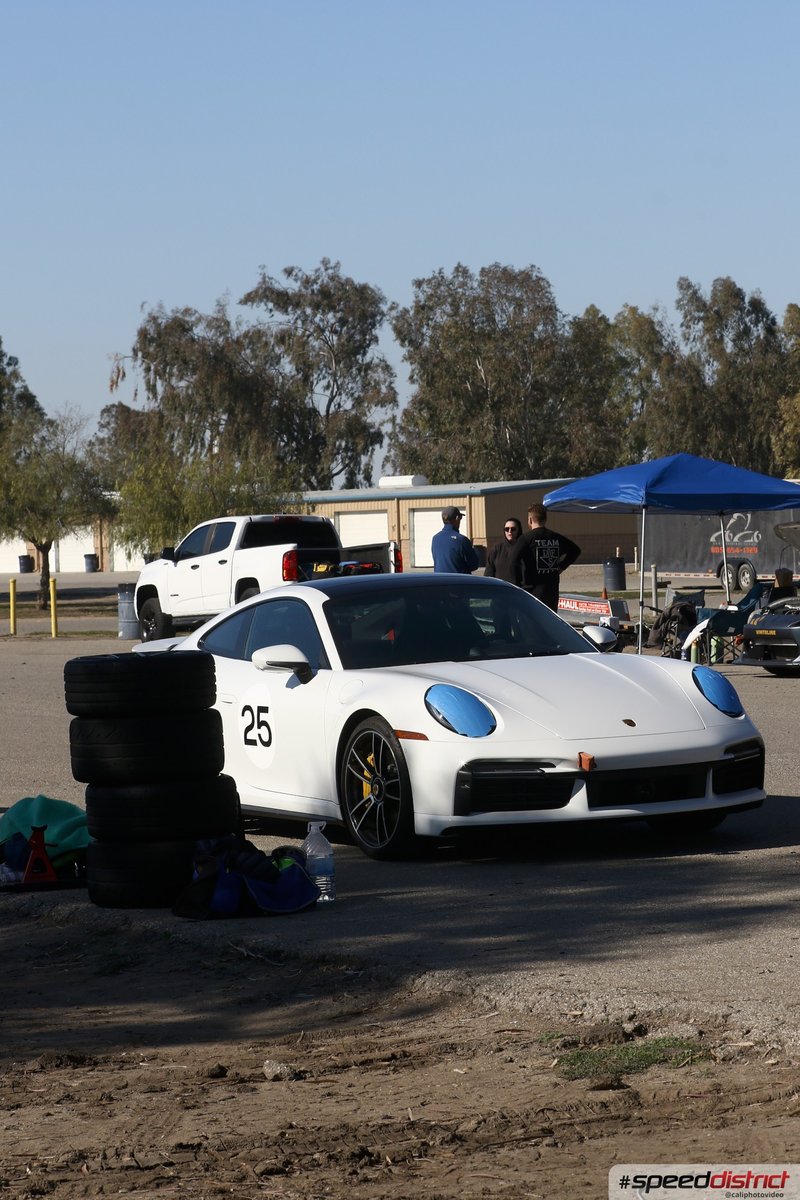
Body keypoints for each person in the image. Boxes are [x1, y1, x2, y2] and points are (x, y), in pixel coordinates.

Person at [509, 503, 580, 610]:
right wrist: (561, 566)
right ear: (545, 519)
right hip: (551, 591)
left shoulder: (526, 539)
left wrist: (517, 584)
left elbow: (513, 561)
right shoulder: (556, 537)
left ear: (530, 520)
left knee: (531, 624)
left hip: (531, 591)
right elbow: (575, 550)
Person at [431, 506, 480, 574]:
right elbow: (474, 565)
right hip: (458, 581)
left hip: (440, 581)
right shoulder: (462, 540)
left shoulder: (435, 539)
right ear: (457, 518)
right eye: (460, 518)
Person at [483, 517, 524, 584]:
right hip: (500, 590)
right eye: (507, 529)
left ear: (519, 530)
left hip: (518, 591)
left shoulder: (524, 548)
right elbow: (489, 574)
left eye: (513, 529)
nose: (509, 531)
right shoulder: (496, 549)